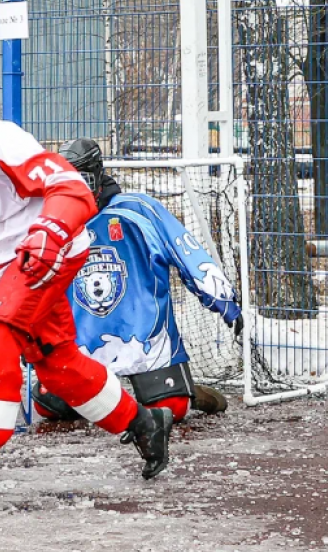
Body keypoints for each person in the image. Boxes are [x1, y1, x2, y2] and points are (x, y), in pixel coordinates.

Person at [0, 54, 174, 512]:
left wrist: (50, 230)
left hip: (46, 252)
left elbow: (71, 188)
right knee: (57, 363)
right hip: (9, 264)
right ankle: (144, 423)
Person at [31, 137, 241, 424]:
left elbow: (184, 247)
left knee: (171, 408)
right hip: (82, 344)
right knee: (50, 407)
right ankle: (112, 391)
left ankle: (189, 391)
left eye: (82, 179)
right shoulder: (53, 220)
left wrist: (222, 298)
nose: (75, 189)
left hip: (143, 337)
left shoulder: (137, 210)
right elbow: (31, 278)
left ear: (98, 175)